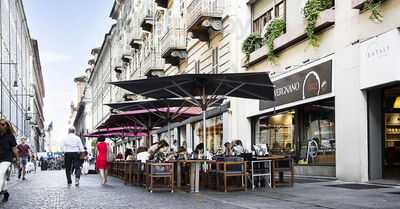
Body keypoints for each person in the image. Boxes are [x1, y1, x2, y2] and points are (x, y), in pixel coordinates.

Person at [0, 119, 19, 202]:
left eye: (3, 124)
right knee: (3, 177)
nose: (1, 125)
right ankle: (5, 192)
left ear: (7, 126)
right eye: (0, 124)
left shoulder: (10, 136)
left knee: (0, 174)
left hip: (6, 159)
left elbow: (14, 149)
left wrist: (17, 160)